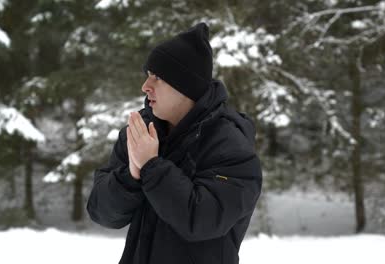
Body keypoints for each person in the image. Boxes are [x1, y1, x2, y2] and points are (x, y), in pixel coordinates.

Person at [86, 22, 262, 264]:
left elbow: (202, 221)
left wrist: (151, 166)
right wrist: (131, 177)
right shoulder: (141, 133)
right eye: (148, 76)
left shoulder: (232, 148)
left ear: (185, 86)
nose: (145, 87)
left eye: (157, 78)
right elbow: (101, 211)